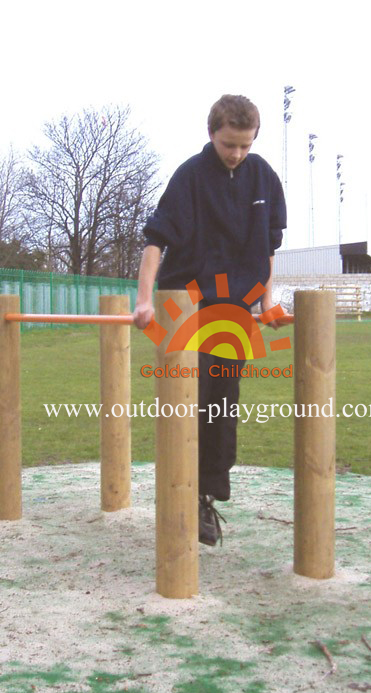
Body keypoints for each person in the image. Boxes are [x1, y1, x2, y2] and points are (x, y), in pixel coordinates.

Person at [132, 94, 287, 546]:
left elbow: (268, 250)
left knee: (222, 407)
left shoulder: (263, 177)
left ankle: (205, 498)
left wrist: (265, 304)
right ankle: (180, 499)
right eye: (227, 145)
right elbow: (155, 242)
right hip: (187, 306)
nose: (236, 153)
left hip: (235, 310)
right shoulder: (190, 177)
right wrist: (145, 301)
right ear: (211, 135)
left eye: (244, 144)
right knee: (189, 405)